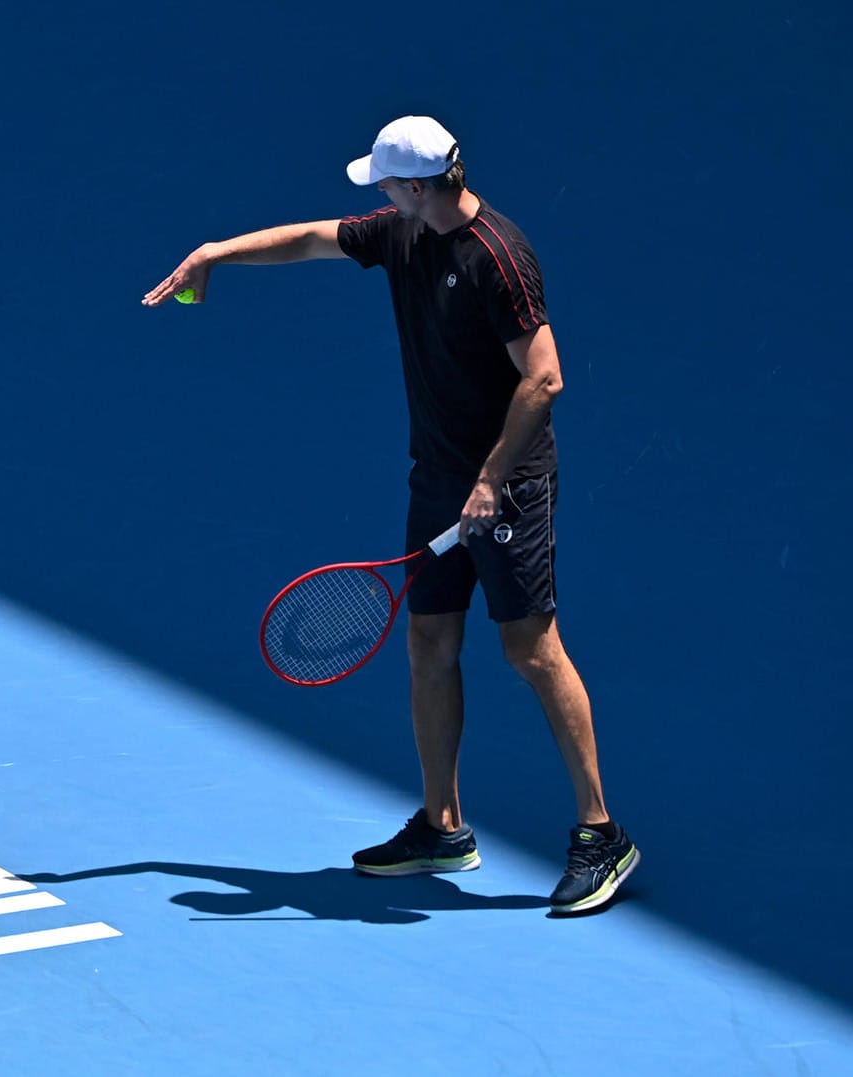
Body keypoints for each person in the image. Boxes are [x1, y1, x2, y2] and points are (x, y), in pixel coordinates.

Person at [143, 116, 637, 914]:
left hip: (505, 484)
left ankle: (600, 833)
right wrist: (215, 253)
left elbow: (543, 379)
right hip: (439, 477)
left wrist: (491, 477)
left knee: (530, 648)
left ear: (415, 186)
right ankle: (443, 825)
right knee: (430, 638)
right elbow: (310, 238)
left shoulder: (499, 260)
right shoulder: (402, 230)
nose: (376, 194)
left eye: (384, 182)